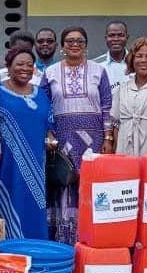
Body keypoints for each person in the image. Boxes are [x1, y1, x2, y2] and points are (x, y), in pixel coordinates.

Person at [41, 26, 112, 244]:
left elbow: (107, 105)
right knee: (64, 184)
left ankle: (91, 239)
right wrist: (49, 132)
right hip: (63, 139)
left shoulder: (98, 71)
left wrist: (108, 138)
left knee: (90, 184)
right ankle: (64, 240)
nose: (75, 45)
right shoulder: (50, 72)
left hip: (94, 138)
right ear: (62, 46)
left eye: (80, 41)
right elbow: (43, 106)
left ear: (86, 45)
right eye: (70, 41)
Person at [0, 47, 53, 239]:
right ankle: (9, 250)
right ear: (8, 66)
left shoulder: (40, 93)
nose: (25, 68)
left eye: (29, 65)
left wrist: (50, 137)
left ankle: (35, 250)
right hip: (5, 164)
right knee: (9, 203)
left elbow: (49, 122)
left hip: (36, 163)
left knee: (34, 205)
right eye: (19, 64)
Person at [109, 37, 147, 156]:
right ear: (132, 60)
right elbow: (116, 123)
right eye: (139, 56)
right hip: (125, 151)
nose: (143, 60)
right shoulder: (123, 88)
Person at [92, 20, 131, 98]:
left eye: (120, 35)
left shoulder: (138, 62)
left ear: (127, 37)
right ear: (106, 38)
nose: (116, 39)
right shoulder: (95, 65)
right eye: (111, 35)